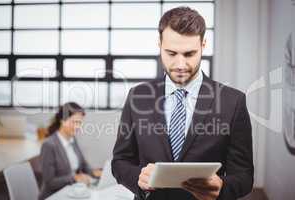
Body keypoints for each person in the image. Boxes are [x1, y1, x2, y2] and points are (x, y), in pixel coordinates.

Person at [112, 6, 254, 200]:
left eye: (189, 54)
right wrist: (138, 178)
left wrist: (222, 186)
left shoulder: (233, 101)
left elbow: (244, 176)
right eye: (171, 53)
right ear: (159, 44)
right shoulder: (137, 96)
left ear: (203, 45)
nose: (180, 65)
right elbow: (120, 162)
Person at [39, 102, 101, 200]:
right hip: (54, 195)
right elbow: (49, 182)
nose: (77, 127)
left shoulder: (72, 139)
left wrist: (95, 172)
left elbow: (83, 165)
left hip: (71, 192)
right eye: (74, 122)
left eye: (79, 123)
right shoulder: (49, 145)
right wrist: (74, 178)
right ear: (62, 121)